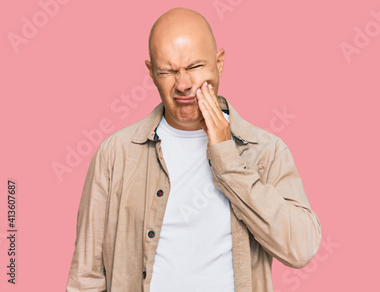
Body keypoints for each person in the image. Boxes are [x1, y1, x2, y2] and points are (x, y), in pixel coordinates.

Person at [66, 7, 321, 292]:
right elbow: (85, 277)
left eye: (195, 67)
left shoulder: (265, 151)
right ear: (151, 73)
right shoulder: (115, 154)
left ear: (219, 62)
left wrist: (227, 158)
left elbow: (301, 249)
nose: (183, 84)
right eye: (167, 71)